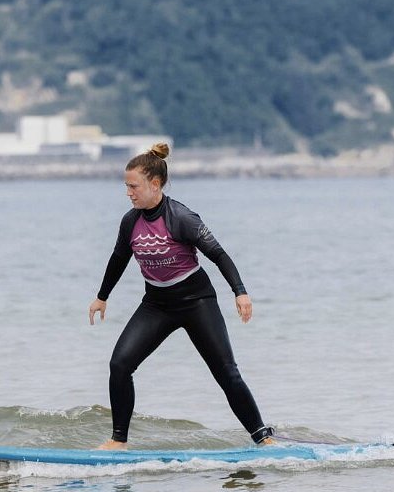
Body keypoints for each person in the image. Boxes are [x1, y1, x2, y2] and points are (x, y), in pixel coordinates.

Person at [88, 143, 274, 450]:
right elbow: (119, 258)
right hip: (156, 305)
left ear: (155, 184)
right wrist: (102, 296)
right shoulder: (130, 222)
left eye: (133, 186)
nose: (128, 193)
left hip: (197, 302)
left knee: (226, 373)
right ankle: (118, 440)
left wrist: (240, 293)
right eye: (126, 186)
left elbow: (219, 254)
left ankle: (262, 437)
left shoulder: (182, 217)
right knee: (120, 365)